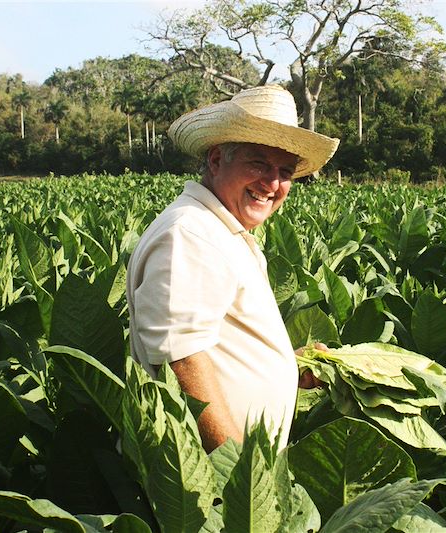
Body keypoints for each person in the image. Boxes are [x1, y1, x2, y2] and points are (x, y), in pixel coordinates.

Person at [126, 85, 339, 451]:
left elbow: (215, 344)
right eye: (258, 163)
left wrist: (287, 366)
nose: (272, 184)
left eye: (284, 171)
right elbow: (183, 363)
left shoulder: (221, 230)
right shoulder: (191, 234)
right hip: (203, 482)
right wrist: (238, 477)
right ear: (215, 160)